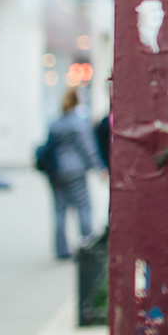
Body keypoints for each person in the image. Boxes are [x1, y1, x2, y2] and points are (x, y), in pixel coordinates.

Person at [46, 88, 102, 260]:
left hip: (55, 171)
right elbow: (88, 148)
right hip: (75, 170)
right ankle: (88, 247)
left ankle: (61, 249)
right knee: (83, 207)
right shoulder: (79, 123)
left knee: (59, 211)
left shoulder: (55, 123)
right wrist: (99, 166)